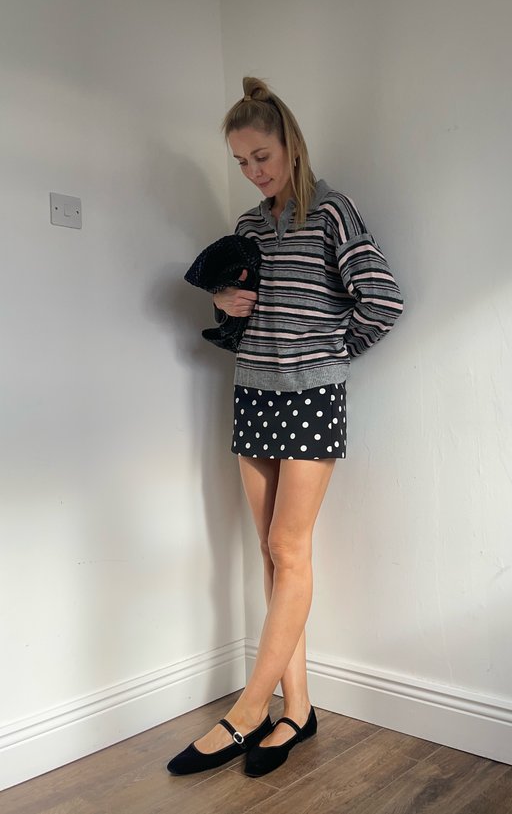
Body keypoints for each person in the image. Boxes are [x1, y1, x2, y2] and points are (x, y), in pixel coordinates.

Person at [167, 77, 404, 779]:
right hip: (252, 396)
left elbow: (382, 300)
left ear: (290, 143)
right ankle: (296, 708)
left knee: (287, 548)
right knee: (272, 558)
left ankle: (246, 712)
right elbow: (239, 331)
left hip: (308, 397)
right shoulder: (246, 228)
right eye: (242, 161)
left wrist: (329, 356)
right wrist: (225, 302)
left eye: (261, 155)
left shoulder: (331, 210)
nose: (254, 171)